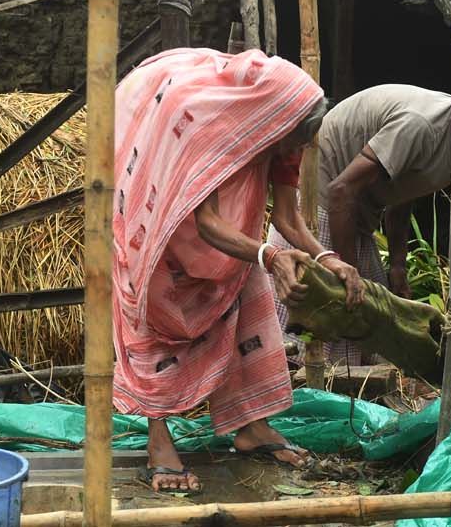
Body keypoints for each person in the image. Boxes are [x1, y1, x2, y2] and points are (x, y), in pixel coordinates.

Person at [112, 48, 363, 495]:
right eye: (292, 142)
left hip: (231, 241)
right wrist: (268, 256)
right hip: (163, 232)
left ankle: (252, 427)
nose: (294, 152)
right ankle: (158, 442)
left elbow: (288, 218)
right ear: (272, 122)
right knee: (156, 327)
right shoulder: (204, 125)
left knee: (250, 310)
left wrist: (328, 257)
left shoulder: (288, 131)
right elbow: (205, 222)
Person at [271, 72, 451, 364]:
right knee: (329, 329)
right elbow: (341, 191)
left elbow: (401, 191)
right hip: (320, 201)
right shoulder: (423, 125)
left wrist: (399, 263)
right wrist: (344, 270)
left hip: (355, 214)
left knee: (378, 322)